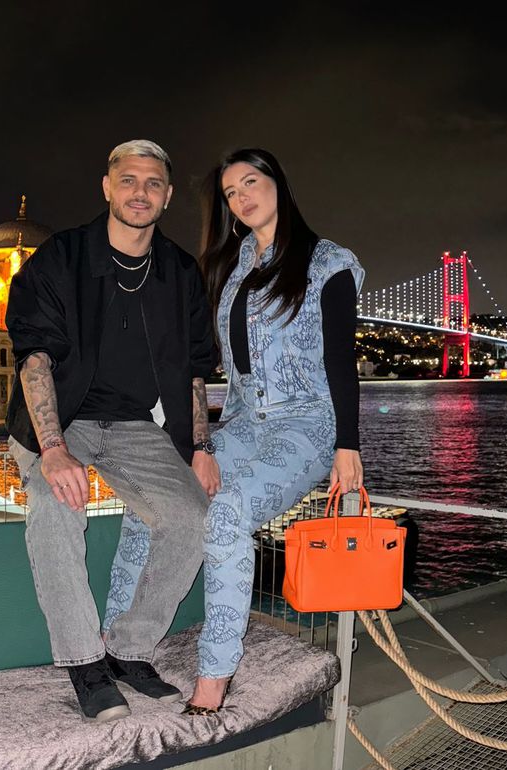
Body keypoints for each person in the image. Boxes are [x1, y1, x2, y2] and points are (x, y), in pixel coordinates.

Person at [4, 139, 220, 723]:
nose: (139, 192)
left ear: (167, 197)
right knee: (55, 505)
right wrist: (53, 450)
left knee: (192, 516)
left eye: (153, 183)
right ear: (107, 187)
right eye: (128, 180)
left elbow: (195, 368)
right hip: (61, 419)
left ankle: (128, 647)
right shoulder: (61, 256)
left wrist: (202, 447)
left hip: (130, 423)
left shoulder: (179, 271)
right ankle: (84, 663)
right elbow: (35, 357)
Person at [179, 147, 365, 713]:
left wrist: (348, 446)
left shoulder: (327, 261)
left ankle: (215, 673)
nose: (242, 198)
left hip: (307, 423)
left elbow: (341, 359)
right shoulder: (233, 266)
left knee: (229, 510)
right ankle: (122, 643)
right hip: (242, 420)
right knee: (169, 489)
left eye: (251, 183)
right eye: (231, 193)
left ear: (277, 184)